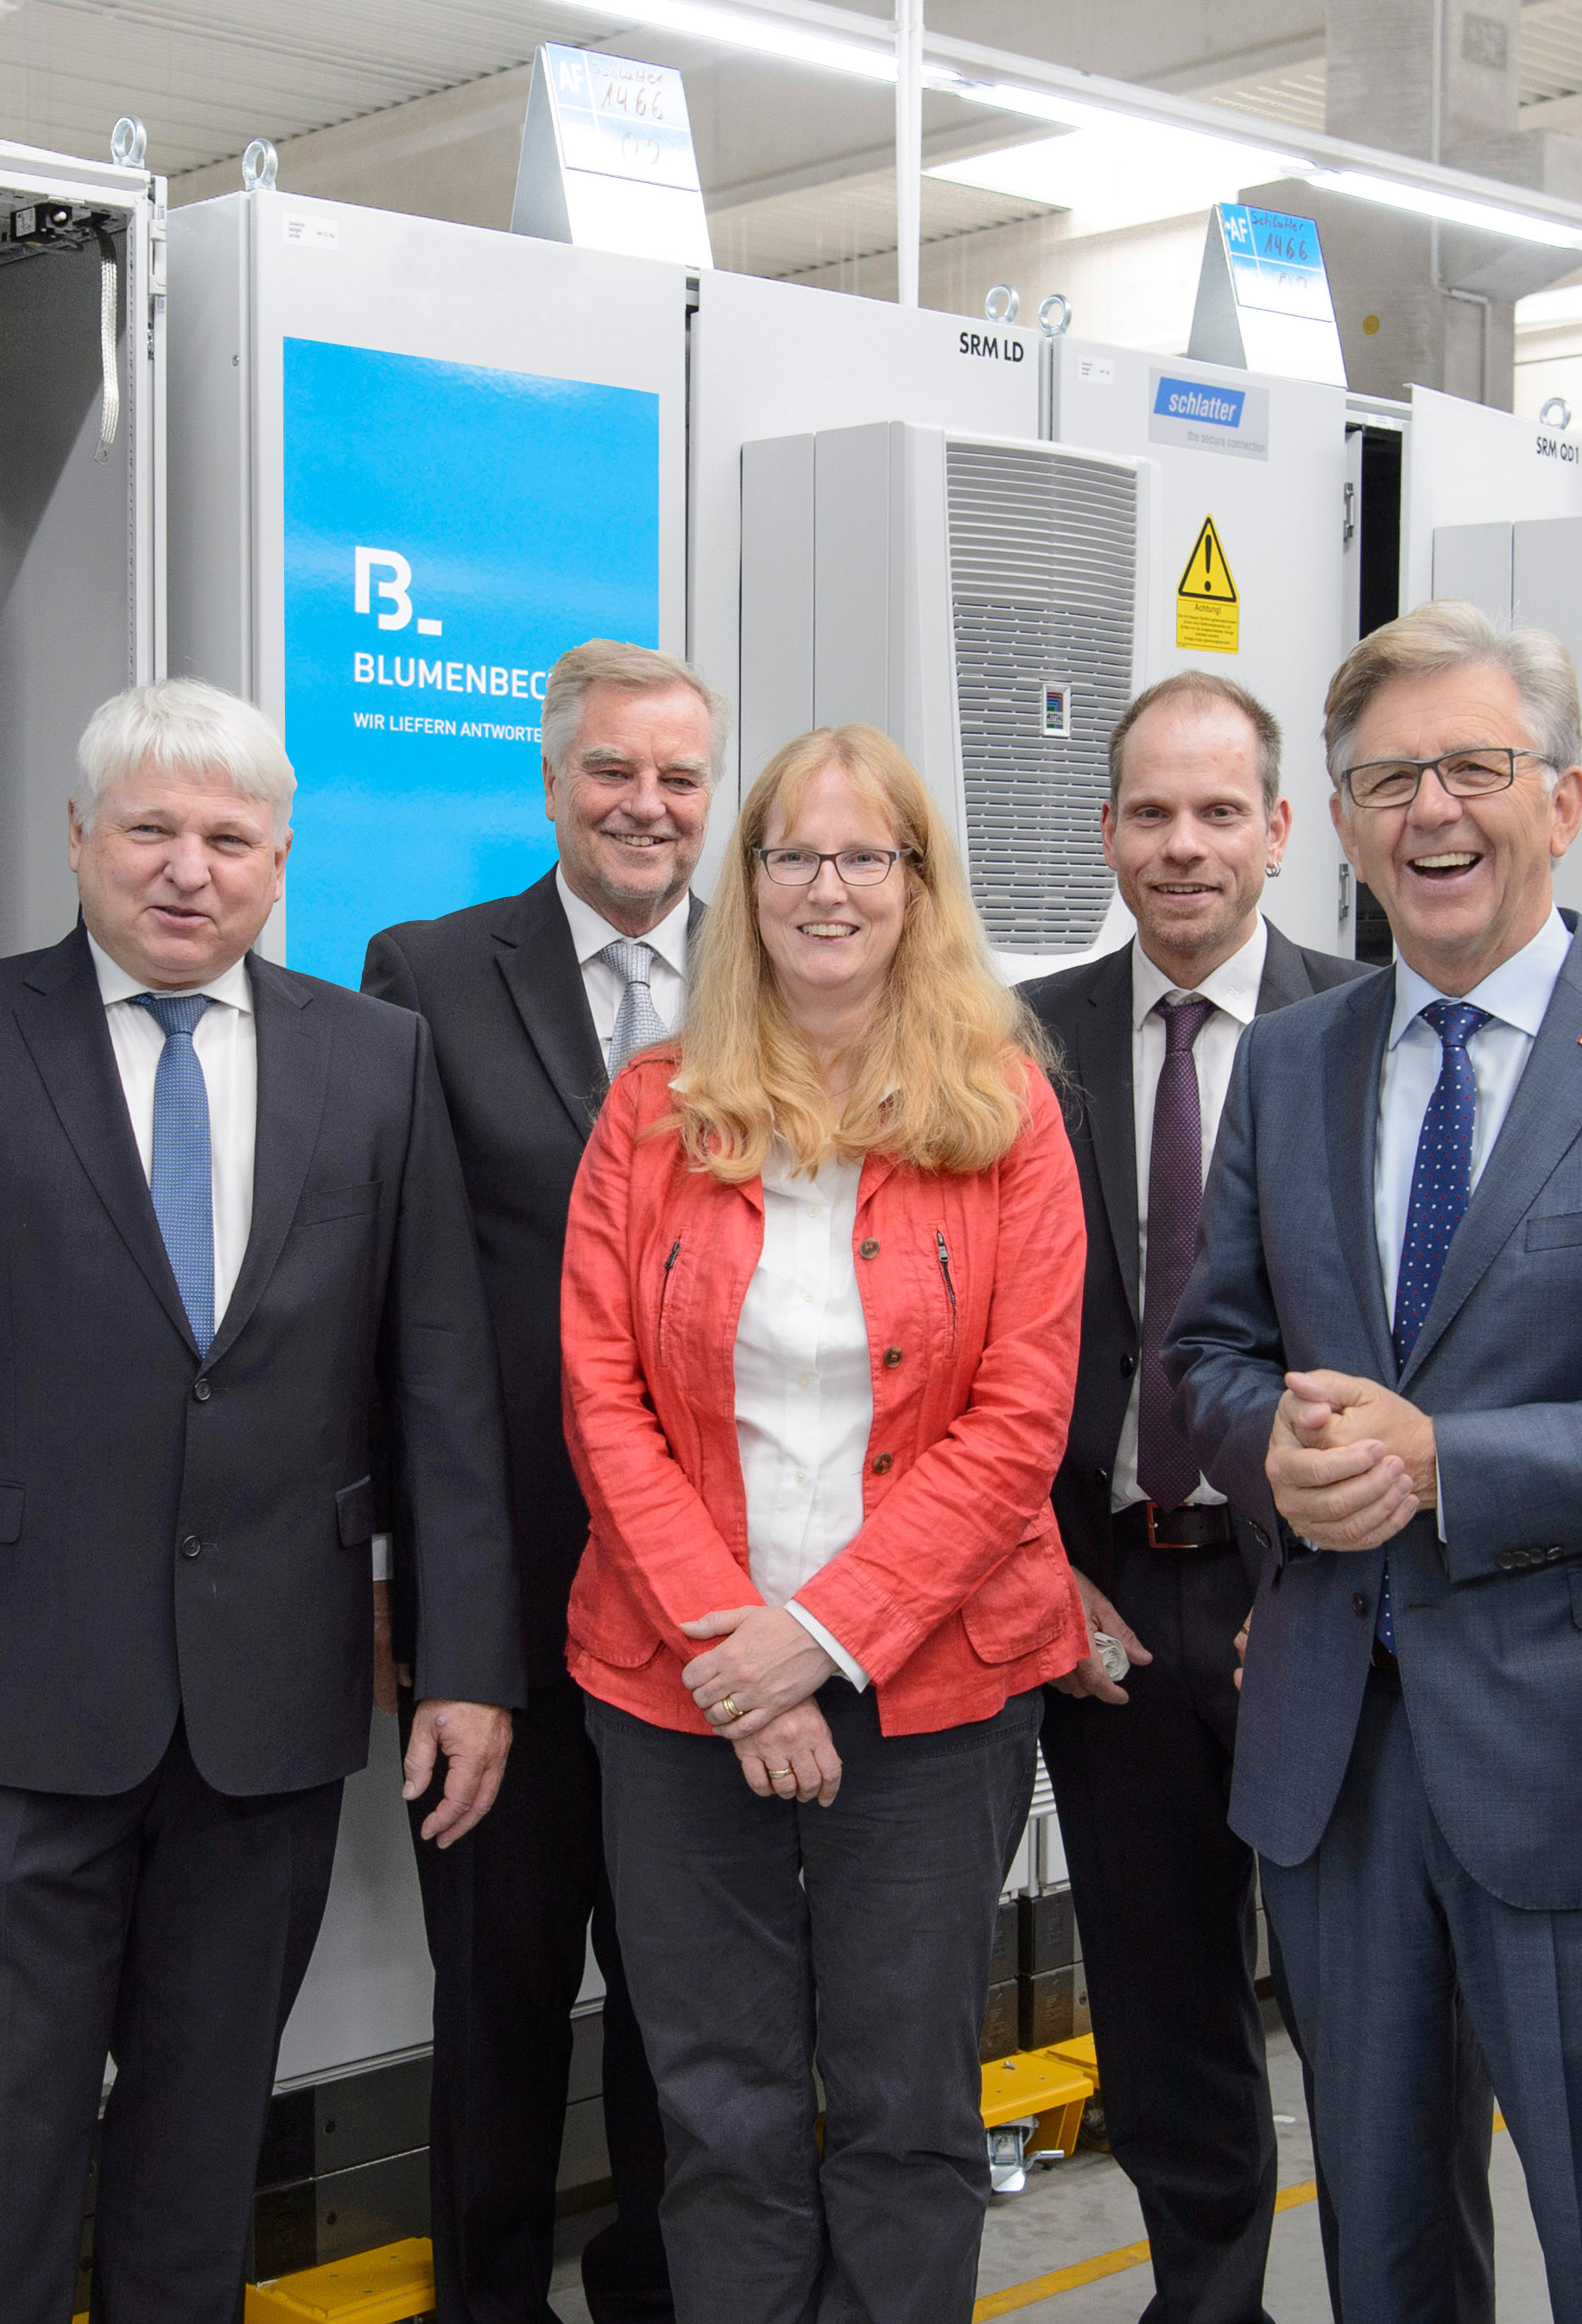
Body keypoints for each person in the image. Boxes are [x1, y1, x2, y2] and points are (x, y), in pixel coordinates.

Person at [0, 679, 518, 2324]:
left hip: (264, 1718)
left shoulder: (377, 1060)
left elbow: (441, 1393)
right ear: (77, 841)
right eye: (152, 832)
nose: (189, 870)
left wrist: (467, 1663)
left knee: (200, 2175)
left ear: (279, 859)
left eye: (229, 838)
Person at [1168, 603, 1582, 2324]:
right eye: (1389, 777)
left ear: (1566, 797)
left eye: (1474, 766)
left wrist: (1447, 1462)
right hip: (1338, 1750)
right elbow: (1212, 1351)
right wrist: (1279, 1462)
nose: (1433, 811)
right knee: (1383, 2250)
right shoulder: (1299, 1060)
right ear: (1340, 823)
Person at [558, 724, 1088, 2324]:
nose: (829, 888)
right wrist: (746, 1652)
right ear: (752, 880)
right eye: (795, 855)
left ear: (921, 885)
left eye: (869, 856)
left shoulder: (1007, 1113)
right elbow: (599, 1398)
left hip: (932, 1696)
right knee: (716, 2111)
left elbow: (1020, 1420)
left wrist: (825, 1640)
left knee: (905, 2111)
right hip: (675, 1691)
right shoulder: (653, 1111)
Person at [363, 639, 725, 2324]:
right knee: (497, 2016)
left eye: (678, 778)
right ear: (553, 779)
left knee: (691, 2013)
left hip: (718, 1618)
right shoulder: (427, 973)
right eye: (615, 773)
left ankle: (655, 2292)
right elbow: (383, 1300)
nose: (647, 806)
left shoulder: (783, 977)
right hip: (503, 1608)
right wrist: (407, 1596)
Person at [1020, 673, 1370, 2324]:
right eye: (1149, 813)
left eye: (1219, 811)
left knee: (1362, 1994)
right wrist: (1035, 1569)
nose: (1183, 846)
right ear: (1104, 832)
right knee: (1161, 2011)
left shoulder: (1366, 1033)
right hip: (1104, 1594)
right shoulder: (1022, 1037)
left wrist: (1310, 1574)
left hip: (1313, 1587)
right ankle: (1206, 2301)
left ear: (1281, 831)